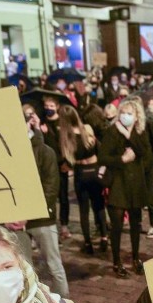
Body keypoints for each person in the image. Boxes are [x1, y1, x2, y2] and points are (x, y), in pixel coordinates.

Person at [98, 97, 153, 277]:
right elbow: (103, 157)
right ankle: (116, 261)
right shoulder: (111, 132)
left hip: (136, 185)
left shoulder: (140, 132)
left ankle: (136, 258)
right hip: (117, 184)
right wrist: (121, 160)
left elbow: (146, 154)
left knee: (135, 224)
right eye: (122, 113)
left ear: (137, 116)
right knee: (116, 226)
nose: (125, 116)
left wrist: (128, 135)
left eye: (129, 114)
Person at [22, 104, 71, 297]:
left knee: (54, 266)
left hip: (42, 218)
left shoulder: (45, 151)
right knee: (23, 270)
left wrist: (31, 213)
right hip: (18, 222)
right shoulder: (10, 150)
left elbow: (50, 188)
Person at [56, 104, 108, 256]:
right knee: (99, 205)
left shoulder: (65, 137)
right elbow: (98, 148)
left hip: (80, 173)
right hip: (94, 169)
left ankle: (88, 243)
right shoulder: (87, 129)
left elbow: (69, 160)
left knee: (84, 210)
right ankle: (104, 237)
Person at [39, 97, 72, 241]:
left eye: (51, 105)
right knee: (48, 197)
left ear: (57, 107)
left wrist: (68, 163)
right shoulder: (42, 123)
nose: (48, 108)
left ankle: (64, 225)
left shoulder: (62, 123)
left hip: (60, 165)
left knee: (63, 197)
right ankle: (49, 225)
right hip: (45, 167)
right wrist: (42, 133)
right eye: (46, 105)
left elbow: (67, 144)